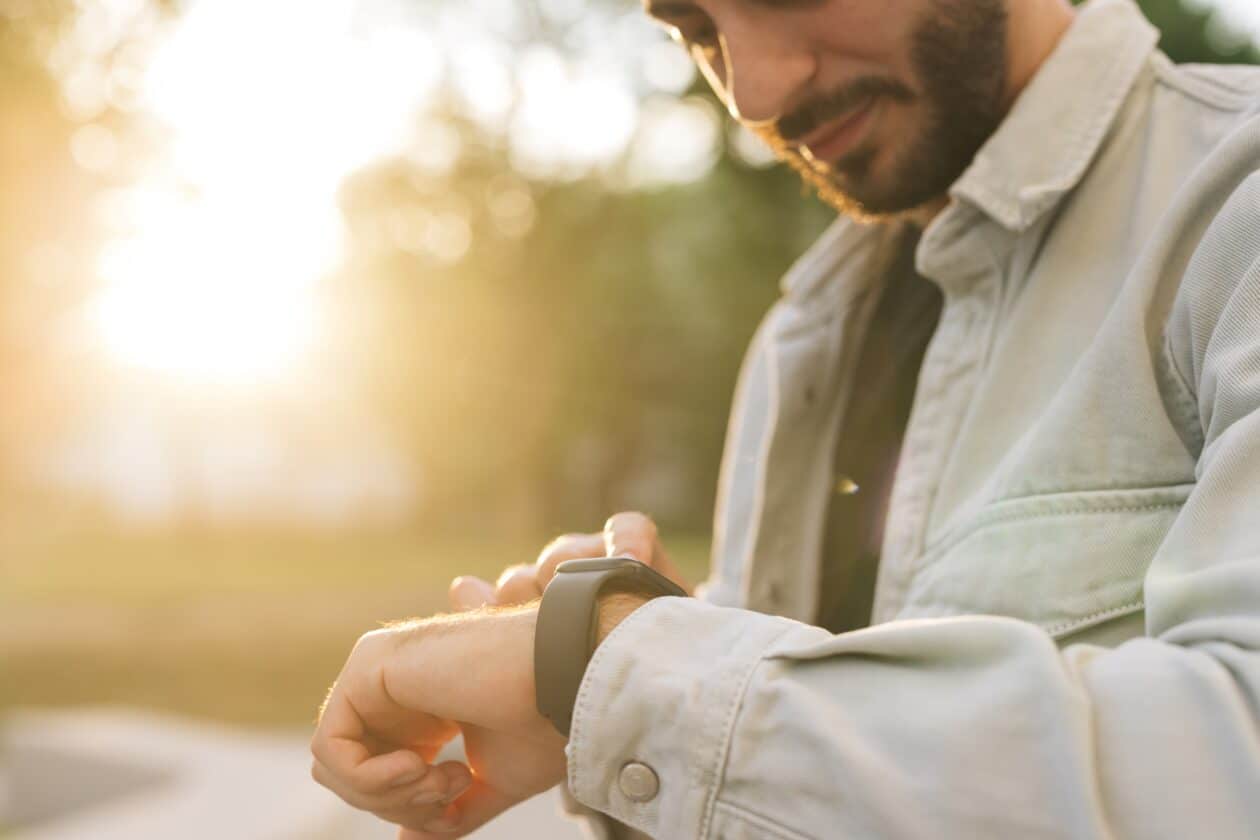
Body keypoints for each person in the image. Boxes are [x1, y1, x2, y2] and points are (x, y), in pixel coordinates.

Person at [310, 0, 1260, 836]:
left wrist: (640, 671)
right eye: (695, 26)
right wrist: (603, 701)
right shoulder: (801, 338)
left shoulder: (1236, 206)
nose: (755, 91)